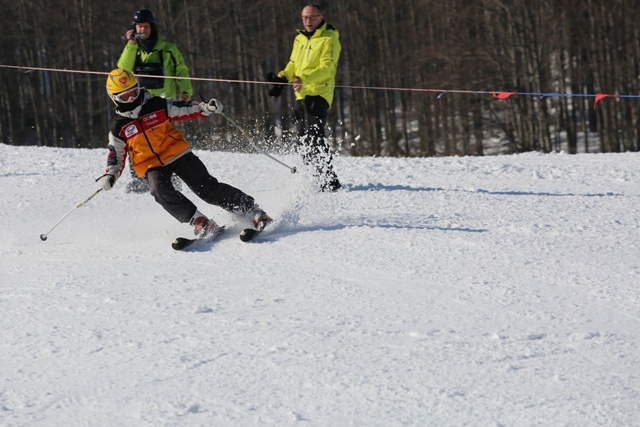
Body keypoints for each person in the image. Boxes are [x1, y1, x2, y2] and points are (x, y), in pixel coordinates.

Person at [96, 69, 272, 240]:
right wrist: (111, 174)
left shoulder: (156, 104)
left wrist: (205, 107)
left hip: (176, 153)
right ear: (115, 99)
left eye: (134, 92)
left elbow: (184, 108)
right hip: (150, 164)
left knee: (206, 188)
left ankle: (253, 211)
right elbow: (116, 155)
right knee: (159, 191)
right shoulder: (119, 127)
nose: (132, 98)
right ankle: (199, 221)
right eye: (125, 97)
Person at [117, 8, 193, 193]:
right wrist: (131, 44)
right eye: (139, 26)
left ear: (152, 27)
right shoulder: (132, 49)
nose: (142, 30)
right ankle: (139, 179)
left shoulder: (168, 49)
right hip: (138, 102)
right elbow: (122, 71)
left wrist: (185, 91)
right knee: (137, 142)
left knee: (165, 139)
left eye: (145, 26)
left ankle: (172, 178)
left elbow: (181, 70)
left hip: (162, 99)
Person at [268, 3, 342, 192]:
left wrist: (304, 78)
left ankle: (329, 180)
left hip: (319, 93)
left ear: (321, 17)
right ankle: (314, 176)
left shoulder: (329, 38)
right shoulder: (299, 39)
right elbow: (294, 63)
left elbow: (328, 68)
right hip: (301, 93)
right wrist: (282, 77)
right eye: (304, 18)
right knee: (303, 137)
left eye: (312, 17)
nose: (308, 22)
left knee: (314, 136)